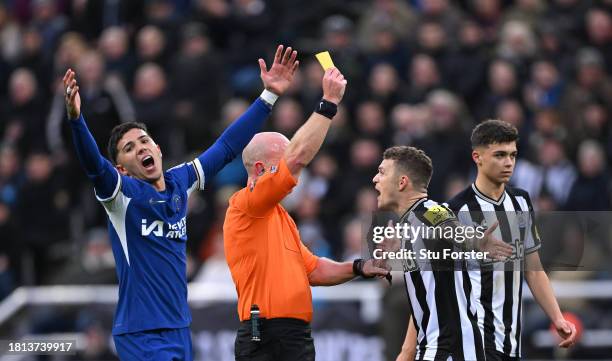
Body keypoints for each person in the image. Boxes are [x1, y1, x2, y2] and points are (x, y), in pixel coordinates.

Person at [63, 45, 299, 361]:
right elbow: (94, 165)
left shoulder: (180, 181)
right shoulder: (120, 196)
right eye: (129, 148)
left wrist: (268, 95)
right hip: (140, 333)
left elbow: (226, 146)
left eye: (143, 141)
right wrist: (77, 121)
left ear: (157, 148)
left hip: (178, 328)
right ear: (121, 168)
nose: (140, 148)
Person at [223, 67, 390, 361]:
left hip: (293, 335)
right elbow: (298, 156)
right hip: (266, 334)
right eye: (282, 164)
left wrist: (358, 267)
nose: (295, 175)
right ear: (260, 170)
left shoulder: (279, 216)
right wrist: (327, 103)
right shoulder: (244, 206)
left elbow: (312, 270)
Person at [398, 120, 578, 360]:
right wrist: (408, 350)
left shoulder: (521, 202)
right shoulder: (452, 212)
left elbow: (533, 270)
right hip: (473, 343)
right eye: (500, 155)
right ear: (477, 157)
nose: (508, 162)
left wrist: (557, 317)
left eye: (513, 155)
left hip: (511, 341)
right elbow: (433, 287)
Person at [372, 146, 513, 361]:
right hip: (432, 347)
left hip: (452, 351)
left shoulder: (429, 210)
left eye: (382, 172)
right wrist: (406, 352)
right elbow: (426, 298)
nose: (375, 179)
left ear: (402, 182)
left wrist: (475, 241)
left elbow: (452, 227)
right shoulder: (409, 226)